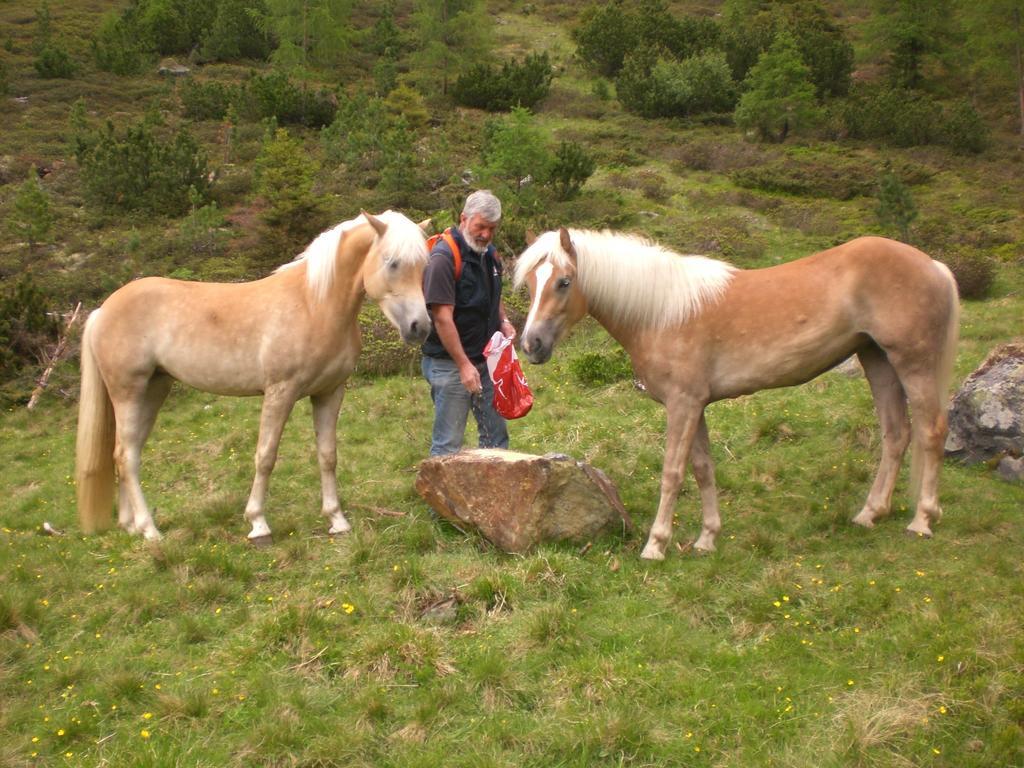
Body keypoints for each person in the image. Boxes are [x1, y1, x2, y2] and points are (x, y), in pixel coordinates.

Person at [421, 190, 516, 456]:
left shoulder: (489, 253)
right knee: (448, 445)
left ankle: (493, 494)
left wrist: (503, 320)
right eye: (480, 227)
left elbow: (493, 291)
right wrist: (464, 365)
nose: (485, 234)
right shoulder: (443, 258)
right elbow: (442, 317)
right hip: (449, 365)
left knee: (496, 438)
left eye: (492, 229)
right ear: (464, 218)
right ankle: (441, 497)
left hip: (485, 360)